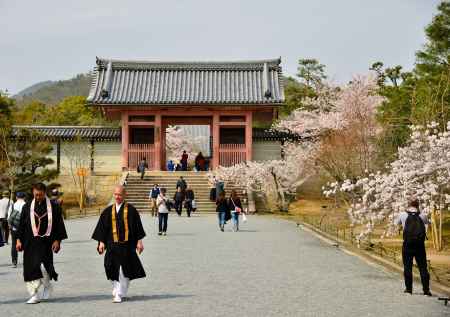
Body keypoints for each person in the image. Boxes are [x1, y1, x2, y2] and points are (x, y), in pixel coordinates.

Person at [92, 185, 146, 303]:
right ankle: (119, 288)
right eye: (115, 194)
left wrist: (139, 242)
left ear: (124, 195)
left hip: (127, 246)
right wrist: (101, 243)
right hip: (112, 246)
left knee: (122, 270)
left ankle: (119, 293)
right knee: (109, 267)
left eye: (120, 194)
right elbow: (102, 228)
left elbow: (137, 228)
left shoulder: (131, 210)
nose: (117, 197)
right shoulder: (108, 211)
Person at [16, 183, 68, 304]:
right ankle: (34, 294)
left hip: (46, 242)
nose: (38, 197)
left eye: (40, 194)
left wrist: (57, 240)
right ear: (33, 193)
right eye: (36, 194)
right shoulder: (27, 206)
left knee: (45, 268)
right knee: (30, 268)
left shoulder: (54, 207)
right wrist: (18, 240)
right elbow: (21, 225)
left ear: (45, 193)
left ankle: (47, 286)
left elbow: (59, 225)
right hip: (30, 242)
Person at [395, 198, 432, 296]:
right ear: (417, 205)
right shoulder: (422, 215)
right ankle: (426, 290)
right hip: (420, 245)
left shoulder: (403, 215)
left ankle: (409, 289)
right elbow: (427, 223)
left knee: (407, 267)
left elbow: (396, 223)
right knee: (423, 267)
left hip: (407, 244)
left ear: (409, 205)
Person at [9, 192, 26, 267]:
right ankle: (26, 261)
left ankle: (14, 262)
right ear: (24, 197)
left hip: (14, 228)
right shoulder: (26, 205)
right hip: (24, 229)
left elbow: (9, 217)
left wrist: (10, 227)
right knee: (26, 244)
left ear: (16, 197)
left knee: (13, 244)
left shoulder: (13, 205)